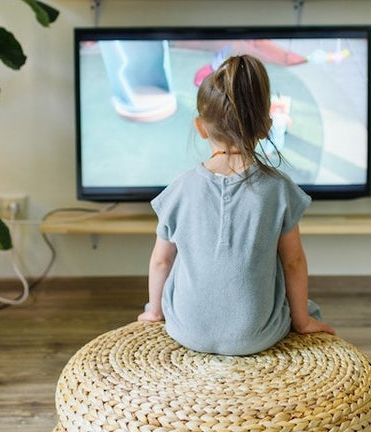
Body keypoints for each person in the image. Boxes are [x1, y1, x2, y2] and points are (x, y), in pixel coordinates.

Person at [138, 54, 335, 355]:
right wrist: (303, 321)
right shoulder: (279, 190)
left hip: (186, 330)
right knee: (301, 300)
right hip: (257, 335)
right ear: (266, 126)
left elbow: (161, 261)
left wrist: (154, 313)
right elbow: (293, 262)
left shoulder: (178, 189)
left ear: (201, 127)